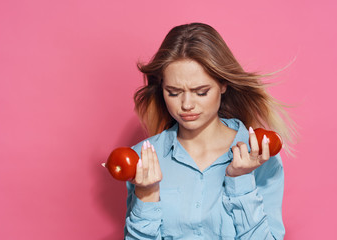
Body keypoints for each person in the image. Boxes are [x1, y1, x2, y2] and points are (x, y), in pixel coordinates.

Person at [124, 22, 294, 240]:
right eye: (174, 93)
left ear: (223, 85)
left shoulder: (259, 155)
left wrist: (241, 181)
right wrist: (146, 194)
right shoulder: (142, 159)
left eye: (201, 92)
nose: (186, 105)